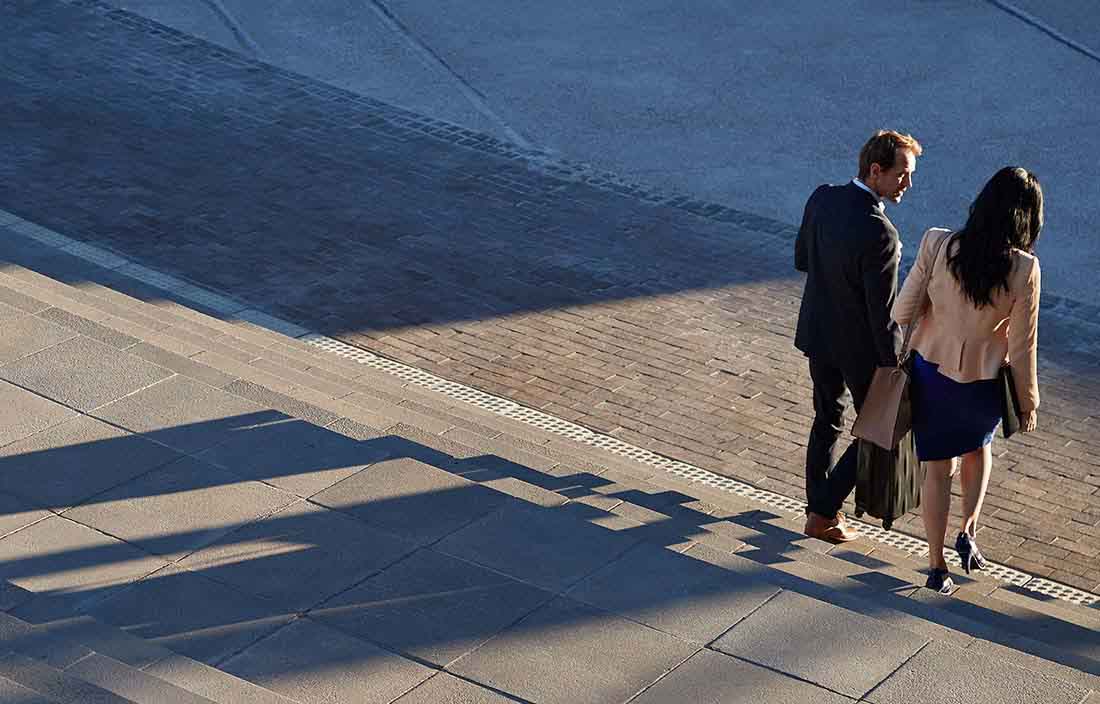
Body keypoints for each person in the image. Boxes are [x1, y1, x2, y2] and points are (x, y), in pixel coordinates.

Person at [892, 167, 1042, 593]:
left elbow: (903, 310)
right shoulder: (1024, 268)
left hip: (931, 373)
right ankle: (969, 531)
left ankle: (937, 565)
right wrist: (1027, 402)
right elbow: (1023, 345)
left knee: (937, 468)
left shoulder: (938, 243)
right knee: (979, 449)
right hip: (983, 383)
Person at [795, 130, 922, 542]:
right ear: (875, 170)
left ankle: (818, 512)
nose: (907, 183)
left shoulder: (822, 198)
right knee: (879, 429)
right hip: (858, 349)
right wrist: (896, 366)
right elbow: (881, 314)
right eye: (902, 174)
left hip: (818, 331)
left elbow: (802, 259)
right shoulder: (882, 234)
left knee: (826, 420)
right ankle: (824, 509)